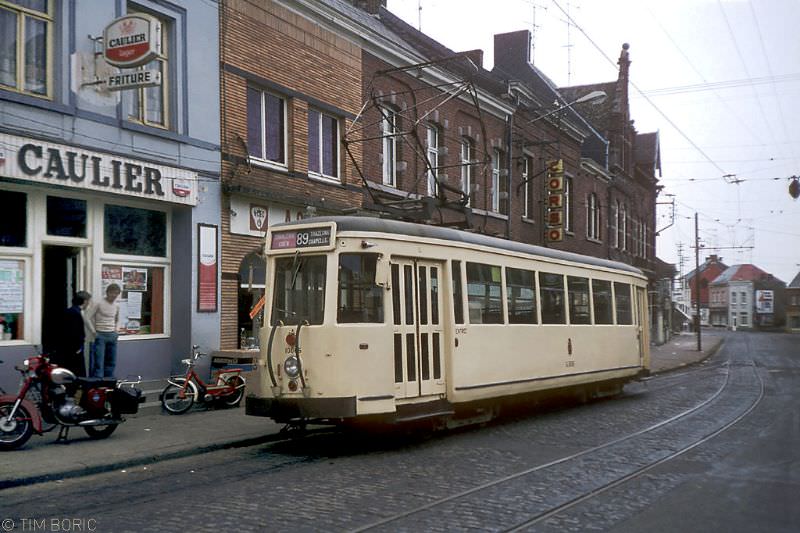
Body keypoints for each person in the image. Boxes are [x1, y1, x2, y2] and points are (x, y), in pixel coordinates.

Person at [87, 284, 121, 378]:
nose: (114, 296)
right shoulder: (98, 303)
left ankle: (109, 382)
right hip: (100, 334)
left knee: (111, 361)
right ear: (107, 292)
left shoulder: (117, 305)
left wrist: (116, 330)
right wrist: (93, 332)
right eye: (112, 293)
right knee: (99, 362)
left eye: (116, 294)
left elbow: (117, 319)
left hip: (112, 335)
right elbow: (87, 317)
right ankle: (98, 383)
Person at [56, 291, 92, 376]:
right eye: (88, 301)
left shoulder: (70, 311)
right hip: (73, 350)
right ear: (85, 301)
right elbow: (75, 332)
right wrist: (78, 348)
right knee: (76, 373)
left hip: (69, 349)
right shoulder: (75, 314)